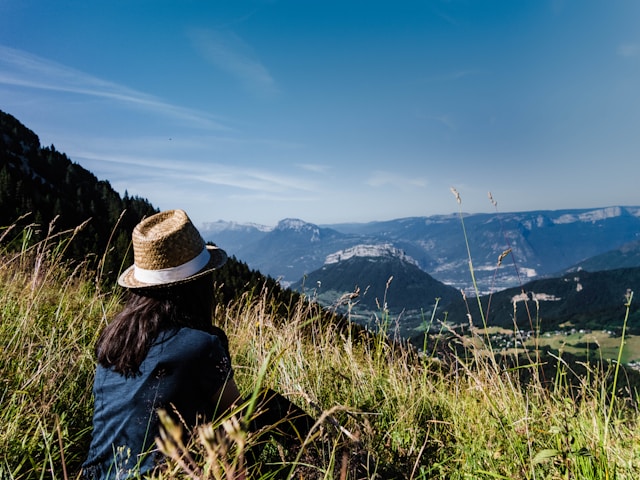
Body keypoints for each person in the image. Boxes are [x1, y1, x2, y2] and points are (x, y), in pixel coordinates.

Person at [82, 209, 314, 479]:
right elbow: (235, 418)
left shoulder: (111, 343)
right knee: (269, 405)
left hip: (95, 474)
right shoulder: (201, 344)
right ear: (199, 284)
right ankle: (350, 464)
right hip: (163, 475)